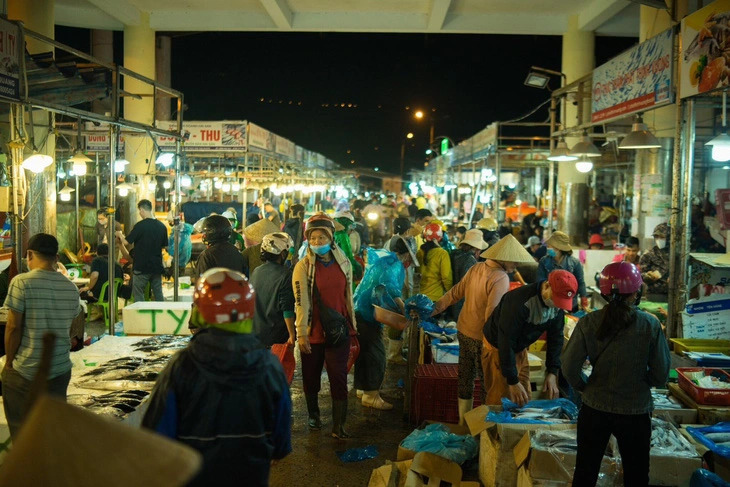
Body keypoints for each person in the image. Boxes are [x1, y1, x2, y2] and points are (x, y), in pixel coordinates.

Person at [142, 268, 291, 486]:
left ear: (200, 312)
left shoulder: (182, 365)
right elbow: (281, 441)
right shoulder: (269, 366)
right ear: (249, 311)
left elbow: (156, 436)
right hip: (251, 476)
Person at [563, 262, 670, 486]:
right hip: (635, 411)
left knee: (585, 472)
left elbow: (568, 367)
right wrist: (640, 383)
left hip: (594, 409)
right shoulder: (650, 324)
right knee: (637, 476)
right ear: (637, 291)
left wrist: (585, 386)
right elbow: (661, 375)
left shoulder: (588, 322)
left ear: (603, 291)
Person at [435, 234, 535, 422]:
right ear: (503, 259)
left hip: (464, 331)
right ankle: (480, 428)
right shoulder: (500, 277)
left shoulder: (476, 267)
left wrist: (435, 308)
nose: (516, 266)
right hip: (483, 339)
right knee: (487, 385)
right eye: (514, 261)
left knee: (466, 378)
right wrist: (502, 344)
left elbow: (455, 293)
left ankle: (463, 422)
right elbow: (493, 316)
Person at [2, 233, 84, 438]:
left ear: (29, 254)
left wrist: (9, 363)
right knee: (52, 433)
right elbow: (74, 326)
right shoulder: (71, 288)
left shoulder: (21, 282)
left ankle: (27, 469)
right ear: (56, 258)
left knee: (23, 436)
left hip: (25, 372)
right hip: (59, 370)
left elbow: (13, 327)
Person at [293, 213, 356, 439]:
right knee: (311, 376)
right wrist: (302, 334)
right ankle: (314, 415)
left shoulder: (344, 263)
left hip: (339, 331)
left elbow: (349, 296)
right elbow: (301, 302)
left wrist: (352, 325)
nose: (317, 242)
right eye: (313, 238)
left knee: (338, 376)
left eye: (322, 237)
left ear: (331, 237)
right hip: (314, 332)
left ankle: (339, 425)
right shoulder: (303, 267)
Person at [482, 269, 577, 406]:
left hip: (520, 348)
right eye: (556, 299)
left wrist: (552, 371)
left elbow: (556, 337)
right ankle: (494, 426)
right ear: (546, 286)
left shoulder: (556, 307)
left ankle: (519, 426)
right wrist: (512, 380)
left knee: (523, 398)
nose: (557, 305)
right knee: (501, 400)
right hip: (498, 347)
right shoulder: (519, 302)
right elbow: (506, 340)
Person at [353, 240, 415, 410]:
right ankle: (371, 396)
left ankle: (363, 389)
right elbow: (390, 287)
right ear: (407, 254)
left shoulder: (382, 260)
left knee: (364, 351)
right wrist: (404, 309)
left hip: (359, 309)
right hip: (367, 313)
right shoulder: (394, 264)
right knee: (376, 355)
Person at [116, 199, 168, 302]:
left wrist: (119, 235)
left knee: (138, 293)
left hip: (141, 267)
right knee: (158, 293)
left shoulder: (140, 226)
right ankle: (160, 316)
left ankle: (141, 316)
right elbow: (164, 247)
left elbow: (126, 242)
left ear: (141, 210)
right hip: (156, 266)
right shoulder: (162, 227)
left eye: (139, 211)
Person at [250, 233, 296, 348]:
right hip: (276, 337)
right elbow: (287, 309)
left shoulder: (256, 271)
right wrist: (292, 334)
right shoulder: (286, 275)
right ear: (282, 254)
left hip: (254, 333)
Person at [537, 231, 588, 311]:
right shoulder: (544, 261)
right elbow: (540, 281)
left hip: (570, 303)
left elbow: (580, 282)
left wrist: (583, 297)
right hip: (550, 304)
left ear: (558, 248)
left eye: (550, 246)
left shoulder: (575, 263)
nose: (547, 248)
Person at [446, 229, 487, 322]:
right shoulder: (470, 260)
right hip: (461, 304)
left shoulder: (454, 255)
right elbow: (469, 287)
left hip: (450, 301)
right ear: (477, 249)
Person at [416, 222, 453, 303]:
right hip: (436, 298)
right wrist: (451, 293)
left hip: (420, 296)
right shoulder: (442, 254)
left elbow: (418, 272)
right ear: (440, 237)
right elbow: (446, 278)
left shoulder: (419, 252)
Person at [639, 223, 670, 301]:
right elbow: (641, 275)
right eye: (656, 237)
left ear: (669, 238)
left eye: (662, 237)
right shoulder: (648, 255)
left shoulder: (677, 255)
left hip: (673, 295)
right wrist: (648, 276)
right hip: (654, 295)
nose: (659, 239)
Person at [334, 210, 363, 284]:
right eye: (350, 225)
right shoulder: (343, 236)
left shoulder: (331, 233)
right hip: (343, 271)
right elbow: (348, 257)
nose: (351, 229)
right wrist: (358, 269)